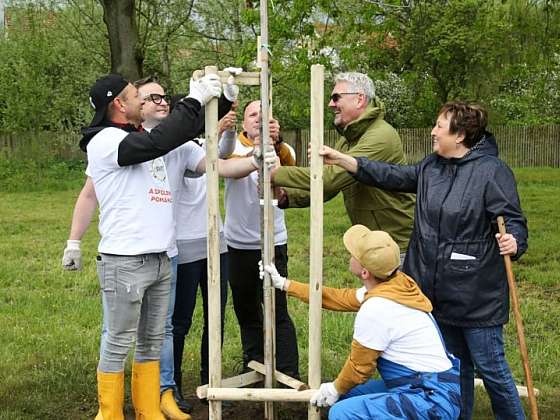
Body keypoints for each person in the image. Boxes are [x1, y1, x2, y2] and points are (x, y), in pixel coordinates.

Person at [62, 76, 268, 419]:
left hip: (162, 257)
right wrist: (194, 100)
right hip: (125, 260)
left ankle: (148, 409)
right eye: (137, 98)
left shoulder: (150, 140)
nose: (144, 103)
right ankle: (109, 413)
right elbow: (156, 144)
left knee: (153, 339)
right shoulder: (105, 141)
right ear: (118, 104)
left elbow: (211, 157)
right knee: (118, 339)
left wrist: (254, 152)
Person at [318, 101, 528, 420]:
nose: (432, 131)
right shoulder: (432, 166)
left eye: (439, 126)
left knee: (493, 373)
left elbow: (513, 221)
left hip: (476, 296)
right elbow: (393, 175)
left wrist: (514, 240)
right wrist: (345, 160)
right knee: (454, 372)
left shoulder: (491, 172)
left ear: (459, 136)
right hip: (432, 292)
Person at [261, 226, 461, 419]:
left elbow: (359, 369)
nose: (350, 253)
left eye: (354, 254)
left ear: (365, 272)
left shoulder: (376, 309)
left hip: (430, 401)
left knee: (342, 413)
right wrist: (284, 284)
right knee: (347, 396)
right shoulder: (397, 283)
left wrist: (334, 388)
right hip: (426, 384)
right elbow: (338, 297)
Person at [270, 72, 415, 256]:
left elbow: (330, 179)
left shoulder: (380, 136)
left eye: (336, 97)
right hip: (373, 243)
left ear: (359, 99)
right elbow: (327, 188)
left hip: (398, 247)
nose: (331, 104)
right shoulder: (349, 139)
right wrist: (287, 196)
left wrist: (277, 173)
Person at [224, 100, 300, 378]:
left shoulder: (284, 149)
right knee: (246, 309)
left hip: (273, 241)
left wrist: (276, 146)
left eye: (264, 114)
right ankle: (253, 365)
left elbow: (289, 175)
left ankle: (289, 372)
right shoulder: (231, 147)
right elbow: (228, 165)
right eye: (252, 114)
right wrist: (258, 150)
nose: (258, 118)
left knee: (278, 309)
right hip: (239, 243)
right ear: (244, 123)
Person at [172, 108, 237, 395]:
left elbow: (223, 152)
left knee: (216, 317)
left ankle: (210, 379)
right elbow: (211, 153)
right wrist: (217, 131)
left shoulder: (200, 146)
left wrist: (229, 128)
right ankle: (170, 384)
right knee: (180, 321)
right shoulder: (175, 149)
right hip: (185, 247)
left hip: (216, 244)